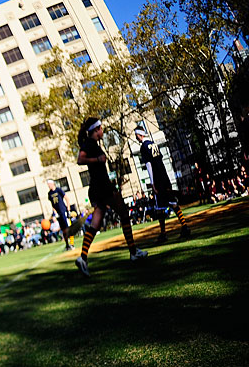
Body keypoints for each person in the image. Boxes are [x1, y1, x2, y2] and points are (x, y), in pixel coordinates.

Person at [74, 118, 147, 277]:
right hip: (103, 186)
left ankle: (83, 258)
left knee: (95, 224)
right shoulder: (90, 144)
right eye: (101, 129)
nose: (102, 131)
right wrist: (97, 160)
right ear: (96, 130)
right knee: (124, 213)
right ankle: (133, 252)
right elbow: (80, 159)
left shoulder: (93, 144)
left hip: (98, 187)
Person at [134, 128, 191, 242]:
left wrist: (152, 183)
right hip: (164, 176)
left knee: (159, 207)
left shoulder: (144, 147)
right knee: (172, 202)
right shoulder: (154, 144)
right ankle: (184, 226)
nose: (136, 137)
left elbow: (149, 165)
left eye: (136, 135)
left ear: (140, 135)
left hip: (158, 179)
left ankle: (163, 234)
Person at [46, 179, 75, 251]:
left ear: (52, 184)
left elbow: (66, 198)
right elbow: (52, 204)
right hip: (58, 213)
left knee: (68, 228)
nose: (48, 186)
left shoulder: (58, 190)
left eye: (49, 184)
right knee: (63, 229)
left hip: (63, 211)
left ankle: (72, 244)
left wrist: (68, 208)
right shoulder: (49, 193)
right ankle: (67, 245)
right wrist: (55, 212)